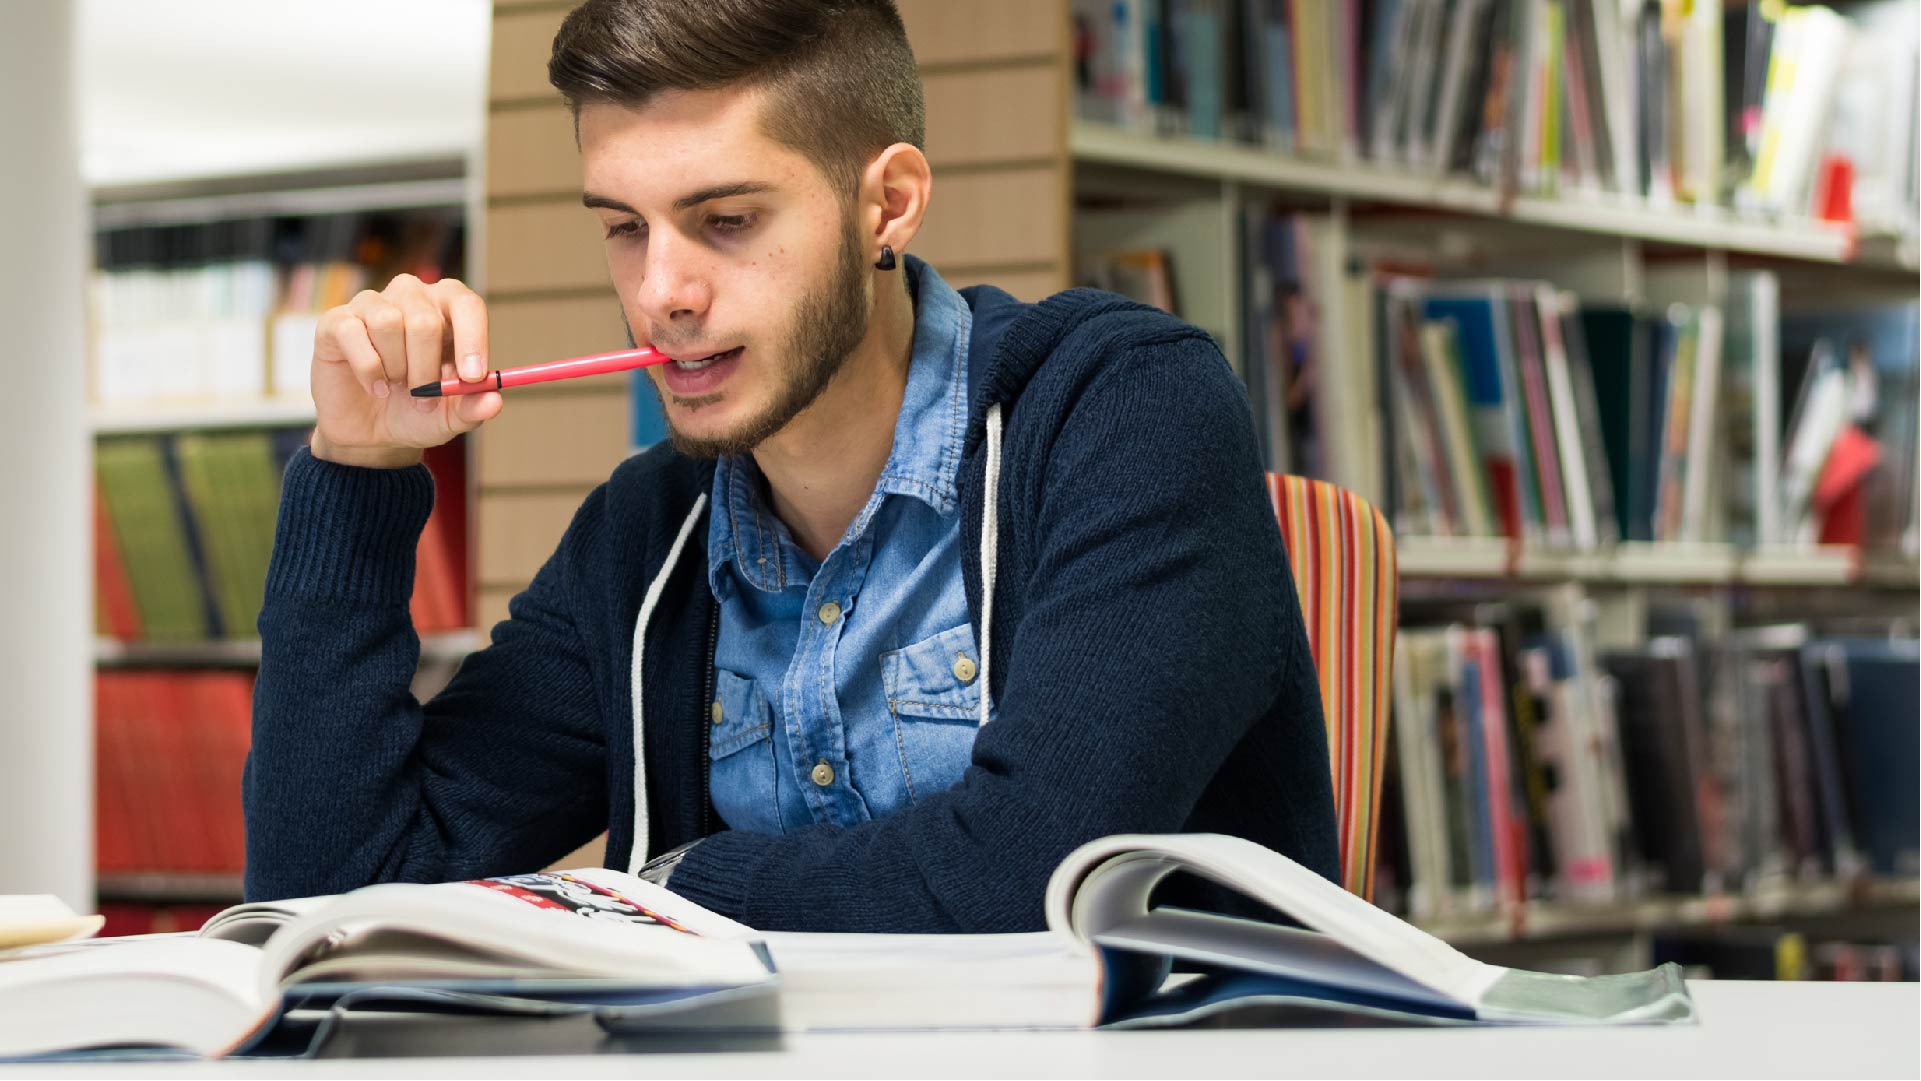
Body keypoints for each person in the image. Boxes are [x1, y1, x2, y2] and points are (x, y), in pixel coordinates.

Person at [244, 0, 1337, 933]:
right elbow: (330, 904)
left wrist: (653, 894)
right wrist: (359, 467)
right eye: (624, 226)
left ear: (887, 205)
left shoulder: (1127, 408)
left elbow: (1035, 875)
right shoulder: (643, 534)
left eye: (724, 220)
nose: (661, 290)